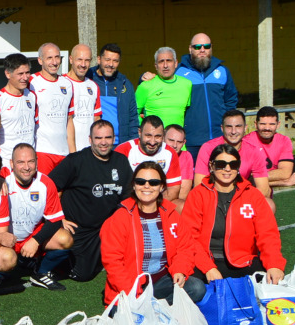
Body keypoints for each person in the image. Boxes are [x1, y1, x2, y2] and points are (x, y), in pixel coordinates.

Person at [174, 144, 285, 285]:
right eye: (221, 164)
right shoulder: (198, 195)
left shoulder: (252, 195)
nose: (227, 169)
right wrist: (208, 267)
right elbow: (189, 237)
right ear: (211, 166)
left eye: (233, 165)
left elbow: (268, 234)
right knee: (193, 286)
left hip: (243, 261)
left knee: (273, 279)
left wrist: (274, 265)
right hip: (206, 262)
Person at [101, 162, 206, 305]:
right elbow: (113, 262)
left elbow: (185, 247)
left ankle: (154, 308)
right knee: (132, 311)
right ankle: (154, 308)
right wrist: (132, 293)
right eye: (140, 181)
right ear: (134, 185)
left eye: (154, 182)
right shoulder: (120, 217)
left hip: (161, 280)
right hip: (130, 283)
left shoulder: (171, 214)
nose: (147, 186)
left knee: (197, 288)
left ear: (162, 186)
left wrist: (180, 270)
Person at [49, 120, 133, 282]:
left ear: (113, 139)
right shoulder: (76, 161)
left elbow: (128, 198)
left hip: (106, 228)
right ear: (90, 139)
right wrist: (59, 218)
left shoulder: (121, 161)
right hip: (78, 230)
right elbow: (48, 188)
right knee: (82, 274)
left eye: (108, 137)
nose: (103, 142)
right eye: (98, 138)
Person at [2, 144, 73, 291]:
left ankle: (40, 272)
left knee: (66, 239)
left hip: (31, 235)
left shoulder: (46, 183)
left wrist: (36, 241)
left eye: (31, 161)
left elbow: (54, 220)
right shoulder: (2, 180)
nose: (26, 167)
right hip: (5, 238)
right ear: (11, 164)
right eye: (21, 162)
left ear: (37, 162)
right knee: (5, 261)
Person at [193, 110, 273, 205]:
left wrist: (240, 205)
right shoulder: (208, 148)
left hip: (242, 199)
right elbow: (199, 185)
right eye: (229, 127)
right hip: (213, 198)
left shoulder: (254, 151)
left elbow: (263, 188)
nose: (233, 132)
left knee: (269, 204)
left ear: (245, 128)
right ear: (222, 128)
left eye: (238, 126)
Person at [177, 33, 239, 152]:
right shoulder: (179, 72)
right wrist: (144, 77)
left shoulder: (222, 71)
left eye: (206, 46)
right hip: (192, 140)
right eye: (197, 47)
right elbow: (162, 81)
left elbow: (231, 99)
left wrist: (226, 124)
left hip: (219, 138)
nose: (202, 50)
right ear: (190, 49)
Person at [30, 42, 77, 175]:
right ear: (40, 60)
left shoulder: (67, 84)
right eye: (49, 58)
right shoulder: (31, 82)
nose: (54, 62)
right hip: (42, 151)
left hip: (63, 152)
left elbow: (69, 120)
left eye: (57, 57)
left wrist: (73, 153)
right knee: (44, 187)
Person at [115, 116, 183, 204]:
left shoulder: (169, 153)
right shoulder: (124, 150)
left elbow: (173, 190)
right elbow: (117, 187)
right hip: (130, 201)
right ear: (140, 132)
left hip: (158, 202)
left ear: (163, 135)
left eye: (157, 136)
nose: (152, 142)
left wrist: (151, 206)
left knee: (181, 206)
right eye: (148, 136)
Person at [0, 52, 36, 169]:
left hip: (29, 165)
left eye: (27, 72)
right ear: (8, 74)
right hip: (6, 164)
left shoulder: (32, 96)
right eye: (20, 74)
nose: (25, 77)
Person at [243, 106, 295, 188]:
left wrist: (257, 178)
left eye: (272, 124)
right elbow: (246, 179)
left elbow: (285, 173)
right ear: (256, 124)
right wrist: (284, 182)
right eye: (263, 124)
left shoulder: (284, 141)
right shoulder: (246, 142)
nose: (267, 128)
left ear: (278, 124)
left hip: (266, 190)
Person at [135, 47, 192, 134]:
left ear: (176, 63)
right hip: (154, 140)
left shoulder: (186, 84)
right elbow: (133, 114)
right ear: (156, 66)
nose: (165, 65)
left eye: (169, 61)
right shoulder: (145, 86)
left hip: (177, 141)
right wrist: (146, 130)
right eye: (161, 61)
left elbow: (187, 115)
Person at [90, 43, 138, 145]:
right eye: (107, 60)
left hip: (119, 145)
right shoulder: (88, 79)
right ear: (99, 59)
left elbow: (133, 118)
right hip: (94, 144)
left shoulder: (125, 84)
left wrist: (133, 144)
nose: (111, 64)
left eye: (115, 61)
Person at [66, 44, 103, 151]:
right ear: (71, 59)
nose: (83, 64)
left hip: (89, 150)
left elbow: (96, 119)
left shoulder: (93, 86)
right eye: (79, 60)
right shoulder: (61, 83)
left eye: (87, 60)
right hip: (66, 150)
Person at [165, 124, 195, 203]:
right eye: (171, 140)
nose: (175, 145)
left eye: (179, 142)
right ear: (162, 138)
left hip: (173, 202)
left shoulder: (186, 156)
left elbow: (183, 194)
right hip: (151, 200)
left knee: (183, 205)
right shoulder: (154, 154)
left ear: (184, 142)